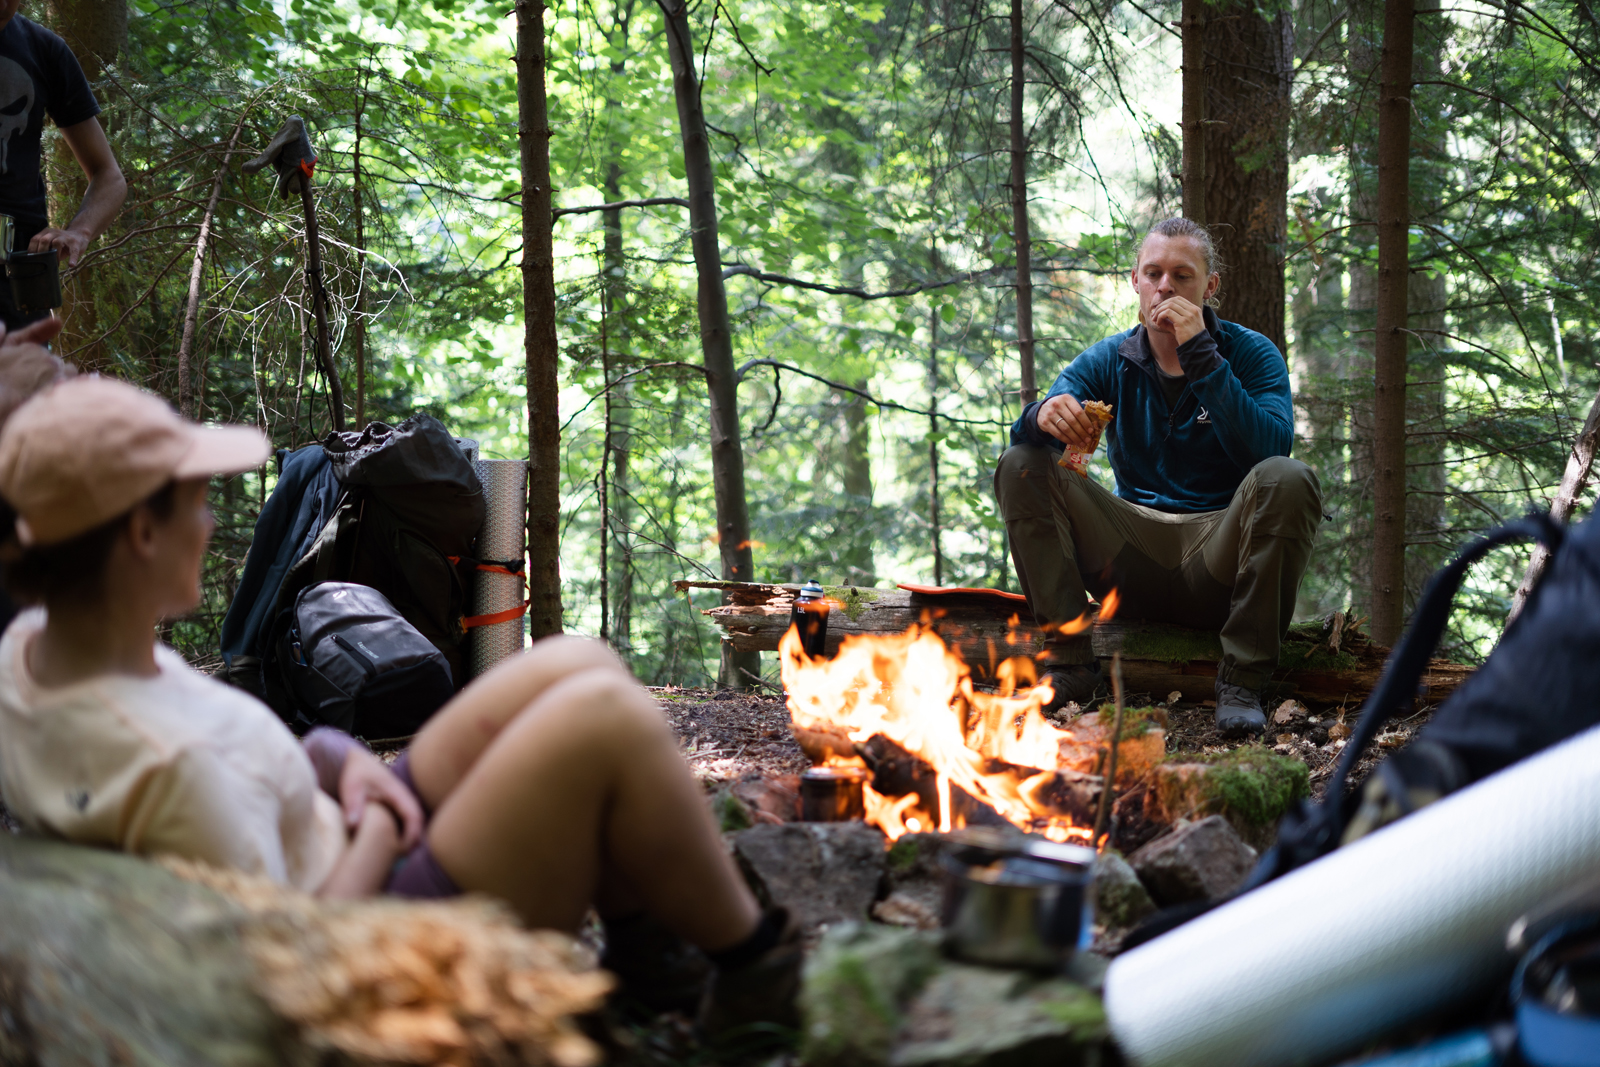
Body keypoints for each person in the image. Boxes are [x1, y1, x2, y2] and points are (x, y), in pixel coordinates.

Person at [0, 376, 797, 1034]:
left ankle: (648, 971)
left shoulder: (37, 652)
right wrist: (380, 822)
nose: (210, 524)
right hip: (371, 946)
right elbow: (300, 964)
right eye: (196, 502)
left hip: (334, 837)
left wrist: (332, 757)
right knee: (605, 719)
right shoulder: (168, 763)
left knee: (575, 661)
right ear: (141, 534)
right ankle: (755, 980)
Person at [994, 218, 1322, 738]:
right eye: (1154, 273)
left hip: (1220, 558)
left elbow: (1268, 449)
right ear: (1135, 282)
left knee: (1289, 477)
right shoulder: (1110, 359)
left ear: (1209, 287)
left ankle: (1242, 682)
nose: (1165, 286)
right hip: (1132, 556)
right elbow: (1038, 434)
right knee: (1020, 461)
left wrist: (1201, 357)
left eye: (1182, 275)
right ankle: (1073, 664)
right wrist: (1040, 417)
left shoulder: (1251, 354)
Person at [0, 1, 128, 328]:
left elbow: (108, 176)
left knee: (27, 379)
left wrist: (78, 232)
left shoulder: (44, 49)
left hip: (18, 283)